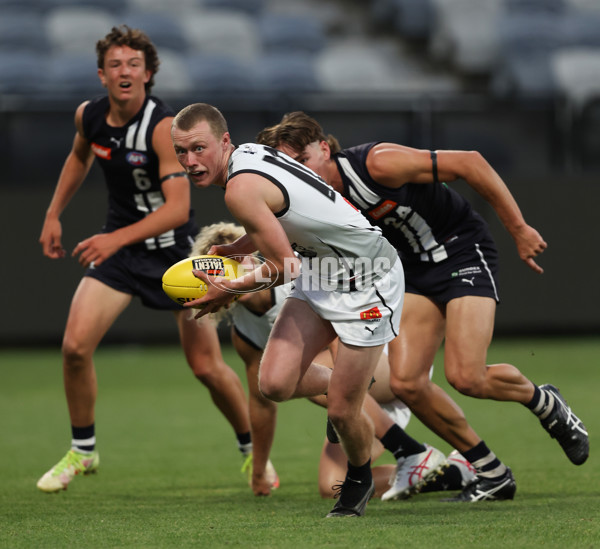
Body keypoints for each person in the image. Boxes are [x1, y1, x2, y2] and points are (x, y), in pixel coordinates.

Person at [255, 111, 589, 502]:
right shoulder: (309, 202)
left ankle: (545, 402)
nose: (298, 172)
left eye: (303, 160)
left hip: (460, 251)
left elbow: (470, 162)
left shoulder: (376, 163)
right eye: (288, 166)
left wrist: (518, 228)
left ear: (325, 148)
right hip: (408, 270)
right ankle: (490, 471)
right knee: (407, 383)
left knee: (467, 376)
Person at [36, 26, 252, 493]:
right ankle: (83, 452)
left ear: (148, 74)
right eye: (115, 64)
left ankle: (253, 451)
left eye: (133, 64)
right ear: (102, 74)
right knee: (74, 348)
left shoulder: (161, 128)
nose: (124, 71)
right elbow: (79, 158)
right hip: (121, 254)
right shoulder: (89, 117)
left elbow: (177, 209)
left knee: (207, 369)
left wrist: (112, 240)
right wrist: (54, 214)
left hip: (174, 256)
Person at [171, 103, 405, 518]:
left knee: (341, 411)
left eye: (198, 148)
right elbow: (287, 213)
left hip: (368, 278)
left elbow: (284, 266)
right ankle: (344, 385)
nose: (190, 161)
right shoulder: (248, 156)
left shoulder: (238, 189)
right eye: (181, 152)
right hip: (321, 268)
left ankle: (359, 477)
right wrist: (238, 249)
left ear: (224, 141)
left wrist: (228, 288)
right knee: (274, 384)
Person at [191, 222, 476, 499]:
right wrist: (259, 467)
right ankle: (453, 472)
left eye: (222, 271)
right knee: (332, 486)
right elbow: (261, 400)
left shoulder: (291, 285)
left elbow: (344, 344)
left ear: (249, 263)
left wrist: (342, 397)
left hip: (381, 364)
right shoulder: (243, 332)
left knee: (310, 372)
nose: (216, 282)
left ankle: (409, 451)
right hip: (350, 393)